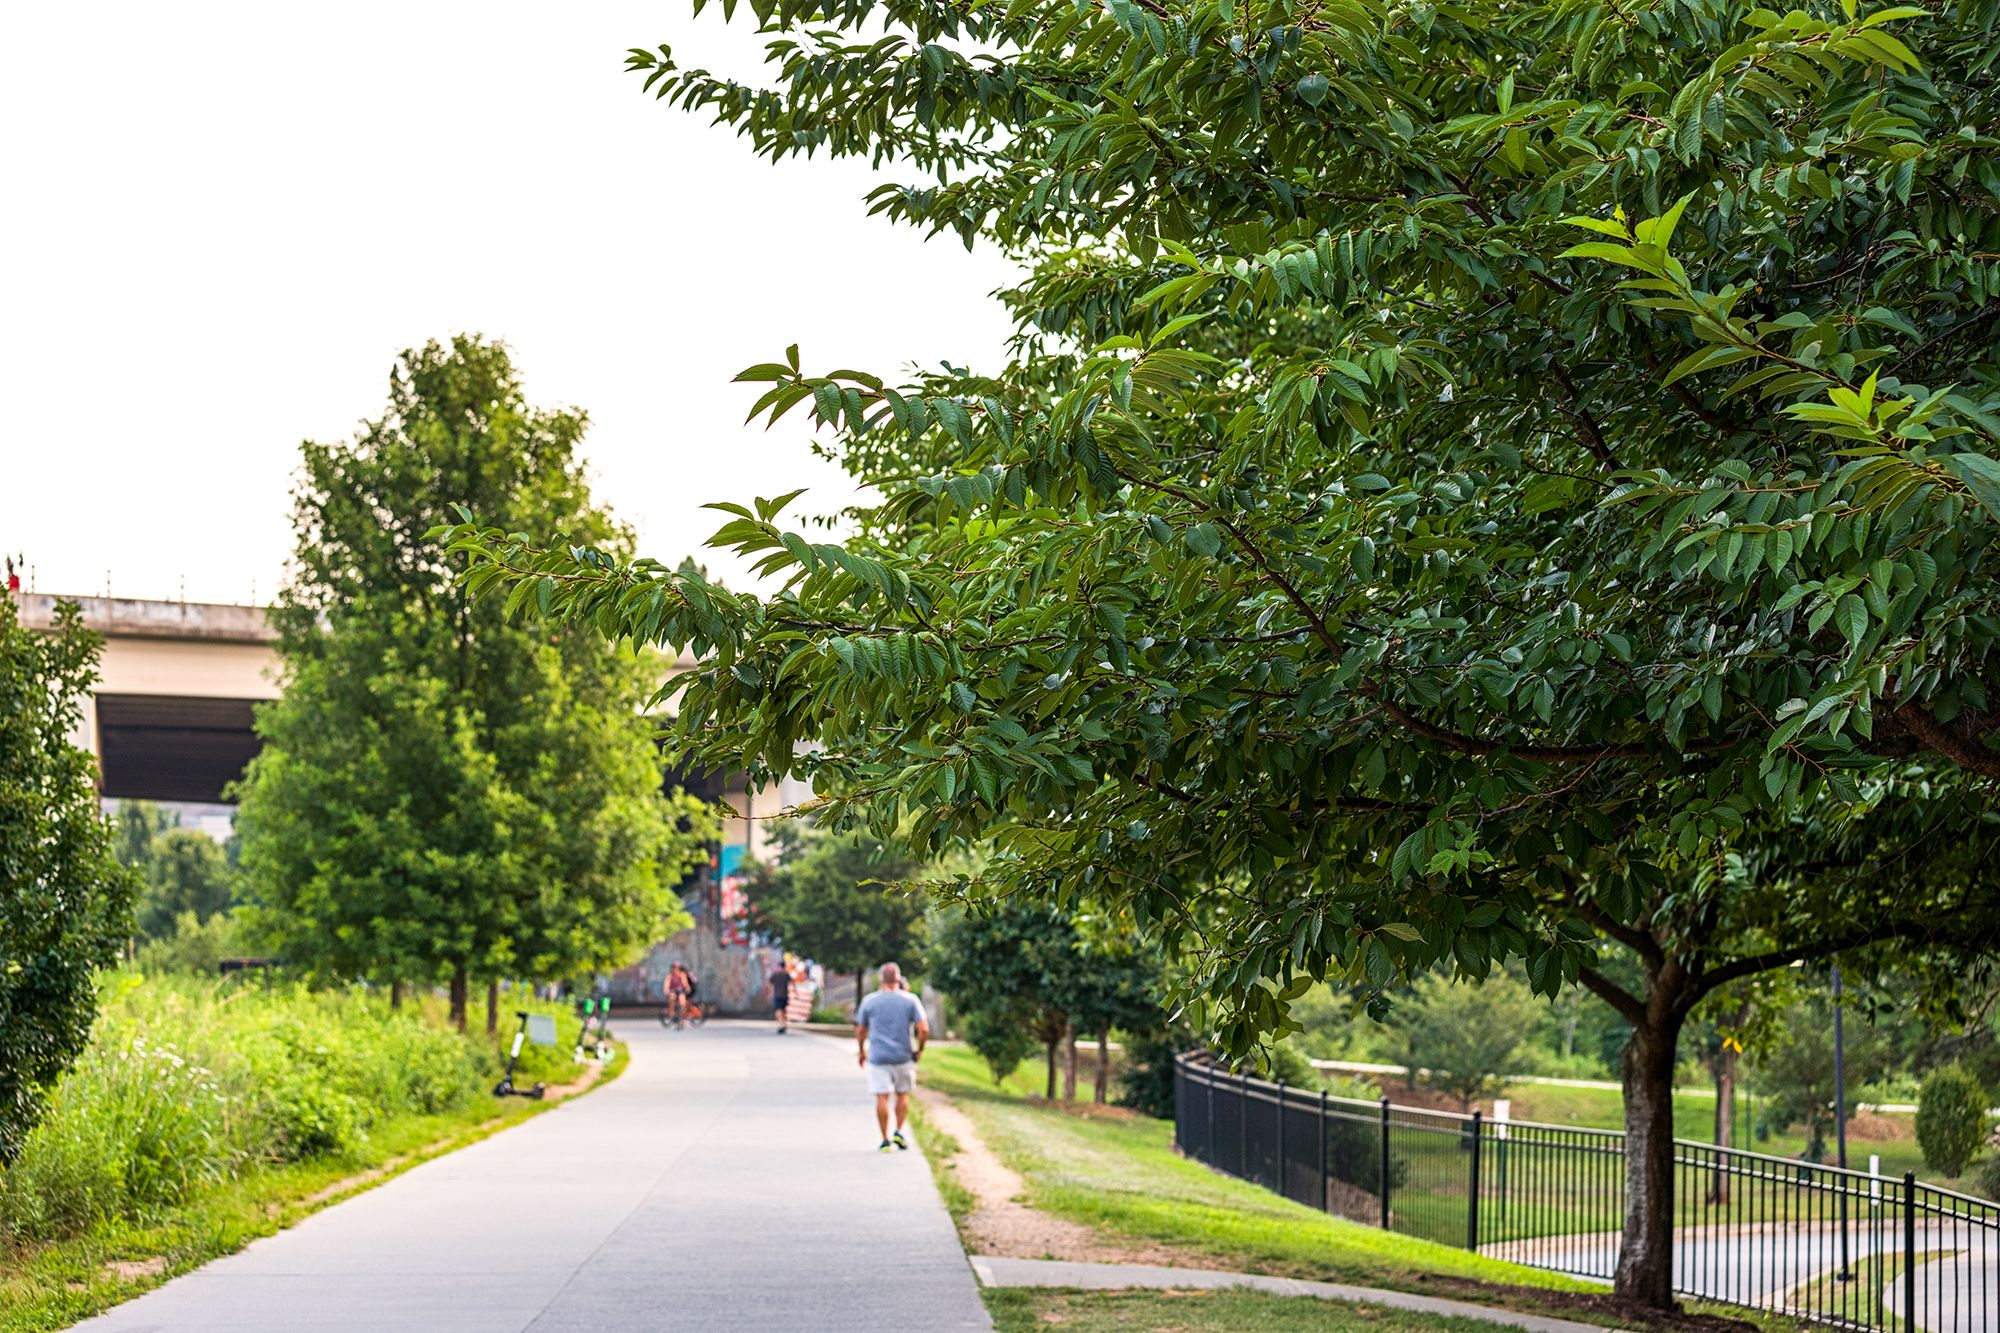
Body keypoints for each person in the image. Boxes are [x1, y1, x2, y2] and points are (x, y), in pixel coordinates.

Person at [854, 961, 928, 1151]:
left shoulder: (870, 1001)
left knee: (882, 1096)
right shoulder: (910, 1000)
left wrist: (862, 1050)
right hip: (903, 1056)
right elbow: (923, 1028)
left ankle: (885, 1139)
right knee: (902, 1094)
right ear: (899, 979)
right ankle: (899, 1131)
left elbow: (861, 1029)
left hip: (878, 1058)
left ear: (881, 979)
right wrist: (919, 1049)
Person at [769, 959, 792, 1034]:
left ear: (779, 966)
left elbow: (770, 983)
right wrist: (796, 994)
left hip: (778, 995)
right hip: (785, 995)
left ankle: (781, 1024)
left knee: (778, 1010)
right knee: (783, 1010)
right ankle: (784, 1024)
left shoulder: (776, 974)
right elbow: (792, 984)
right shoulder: (786, 974)